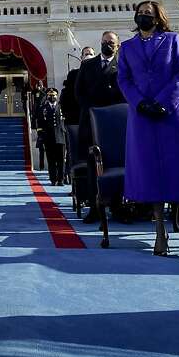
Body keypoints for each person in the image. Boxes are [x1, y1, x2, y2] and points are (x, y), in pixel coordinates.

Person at [117, 1, 179, 260]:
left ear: (158, 18)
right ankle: (160, 231)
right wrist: (140, 102)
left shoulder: (172, 40)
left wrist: (165, 102)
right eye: (139, 14)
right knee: (150, 170)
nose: (143, 17)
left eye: (148, 14)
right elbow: (124, 79)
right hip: (142, 114)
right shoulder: (126, 47)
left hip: (173, 112)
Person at [75, 31, 126, 223]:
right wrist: (93, 111)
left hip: (115, 125)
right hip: (91, 123)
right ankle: (95, 207)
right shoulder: (87, 65)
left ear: (118, 45)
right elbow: (78, 92)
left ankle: (118, 205)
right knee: (92, 167)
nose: (107, 45)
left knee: (115, 163)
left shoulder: (123, 66)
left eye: (111, 42)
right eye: (104, 42)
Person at [36, 87, 66, 186]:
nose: (52, 97)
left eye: (54, 95)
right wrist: (41, 136)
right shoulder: (42, 108)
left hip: (60, 137)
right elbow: (39, 123)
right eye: (50, 95)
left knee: (61, 160)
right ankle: (53, 179)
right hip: (48, 137)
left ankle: (61, 179)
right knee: (51, 160)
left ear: (57, 96)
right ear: (47, 96)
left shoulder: (62, 107)